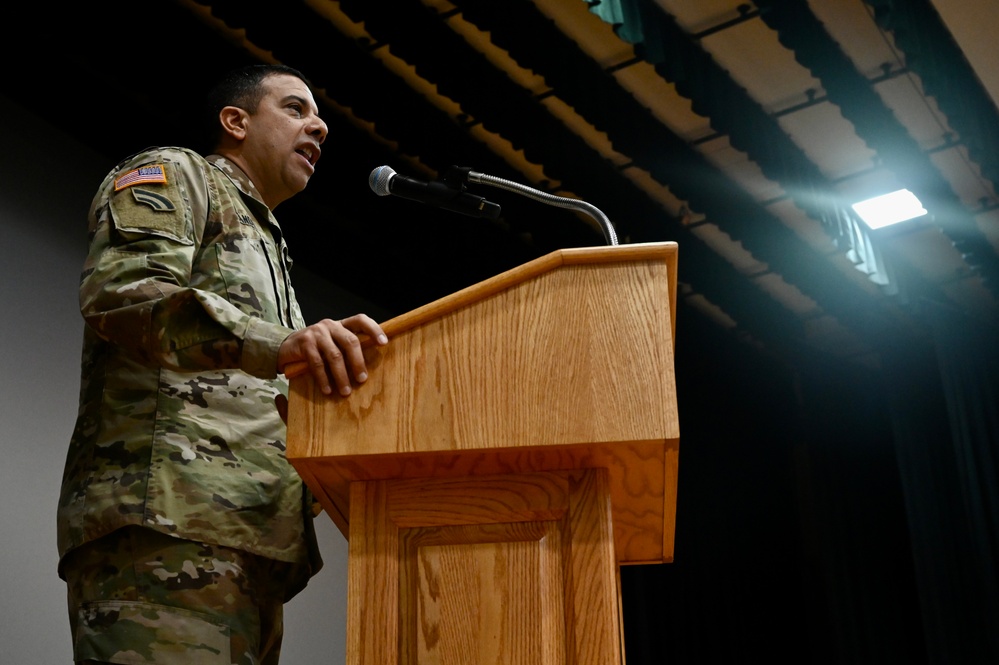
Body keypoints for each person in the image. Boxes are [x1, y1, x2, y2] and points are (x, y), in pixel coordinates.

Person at [56, 63, 388, 665]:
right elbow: (126, 295)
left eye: (319, 120)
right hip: (168, 524)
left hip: (255, 544)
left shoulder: (269, 241)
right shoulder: (178, 174)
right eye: (295, 109)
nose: (318, 130)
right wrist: (282, 345)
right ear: (235, 121)